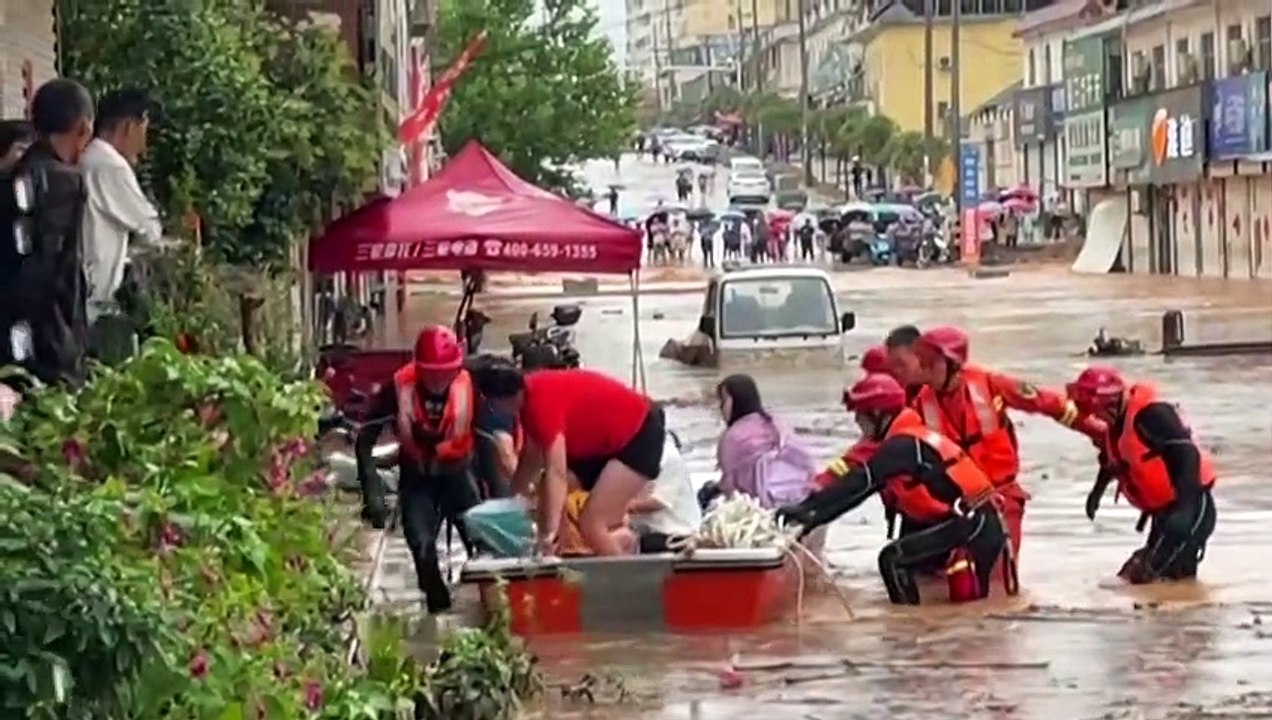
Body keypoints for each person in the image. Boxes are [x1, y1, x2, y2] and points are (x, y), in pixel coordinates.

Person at [777, 374, 1013, 605]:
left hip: (975, 525)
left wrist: (808, 513)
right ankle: (930, 631)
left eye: (860, 413)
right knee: (960, 602)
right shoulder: (908, 437)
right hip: (976, 522)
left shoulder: (903, 446)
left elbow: (860, 486)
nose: (858, 421)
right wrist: (811, 512)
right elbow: (852, 482)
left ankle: (906, 632)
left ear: (878, 414)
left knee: (893, 559)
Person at [906, 326, 1106, 558]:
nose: (925, 368)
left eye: (932, 361)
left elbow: (1049, 403)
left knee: (1001, 577)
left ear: (953, 363)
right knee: (960, 582)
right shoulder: (919, 405)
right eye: (924, 361)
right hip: (957, 506)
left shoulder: (991, 384)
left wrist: (1101, 432)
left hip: (1002, 498)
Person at [471, 364, 665, 556]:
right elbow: (530, 459)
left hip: (639, 434)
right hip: (601, 444)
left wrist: (549, 532)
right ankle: (559, 555)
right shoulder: (528, 397)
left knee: (592, 524)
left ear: (504, 400)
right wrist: (512, 500)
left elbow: (557, 473)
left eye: (491, 405)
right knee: (544, 493)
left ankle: (625, 580)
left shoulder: (541, 406)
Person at [355, 325, 482, 613]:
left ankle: (496, 616)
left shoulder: (471, 385)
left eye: (445, 373)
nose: (438, 380)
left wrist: (497, 493)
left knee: (483, 543)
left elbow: (493, 439)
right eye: (431, 372)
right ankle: (436, 612)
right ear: (418, 367)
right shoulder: (397, 388)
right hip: (417, 477)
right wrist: (372, 495)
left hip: (458, 473)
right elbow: (365, 441)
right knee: (421, 546)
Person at [1066, 366, 1217, 584]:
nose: (1092, 416)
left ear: (1107, 403)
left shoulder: (1152, 415)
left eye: (1093, 410)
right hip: (1164, 513)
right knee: (1140, 576)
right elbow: (1113, 462)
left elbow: (1186, 454)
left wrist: (1185, 508)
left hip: (1191, 507)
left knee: (1159, 577)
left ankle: (1190, 614)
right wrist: (1097, 492)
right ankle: (1175, 613)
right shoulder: (1117, 428)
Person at [0, 80, 96, 388]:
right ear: (83, 129)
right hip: (47, 341)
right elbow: (51, 269)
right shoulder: (63, 182)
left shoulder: (12, 174)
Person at [81, 88, 162, 323]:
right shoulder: (110, 165)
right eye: (144, 129)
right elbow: (149, 228)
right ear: (129, 126)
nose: (145, 142)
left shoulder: (91, 156)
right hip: (93, 300)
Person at [698, 375, 816, 510]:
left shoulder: (733, 437)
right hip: (801, 496)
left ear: (737, 401)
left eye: (724, 401)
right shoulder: (777, 424)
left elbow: (731, 486)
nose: (720, 408)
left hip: (763, 505)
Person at [628, 432, 702, 552]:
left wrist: (618, 505)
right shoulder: (626, 458)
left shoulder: (666, 456)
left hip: (675, 534)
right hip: (644, 530)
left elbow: (657, 503)